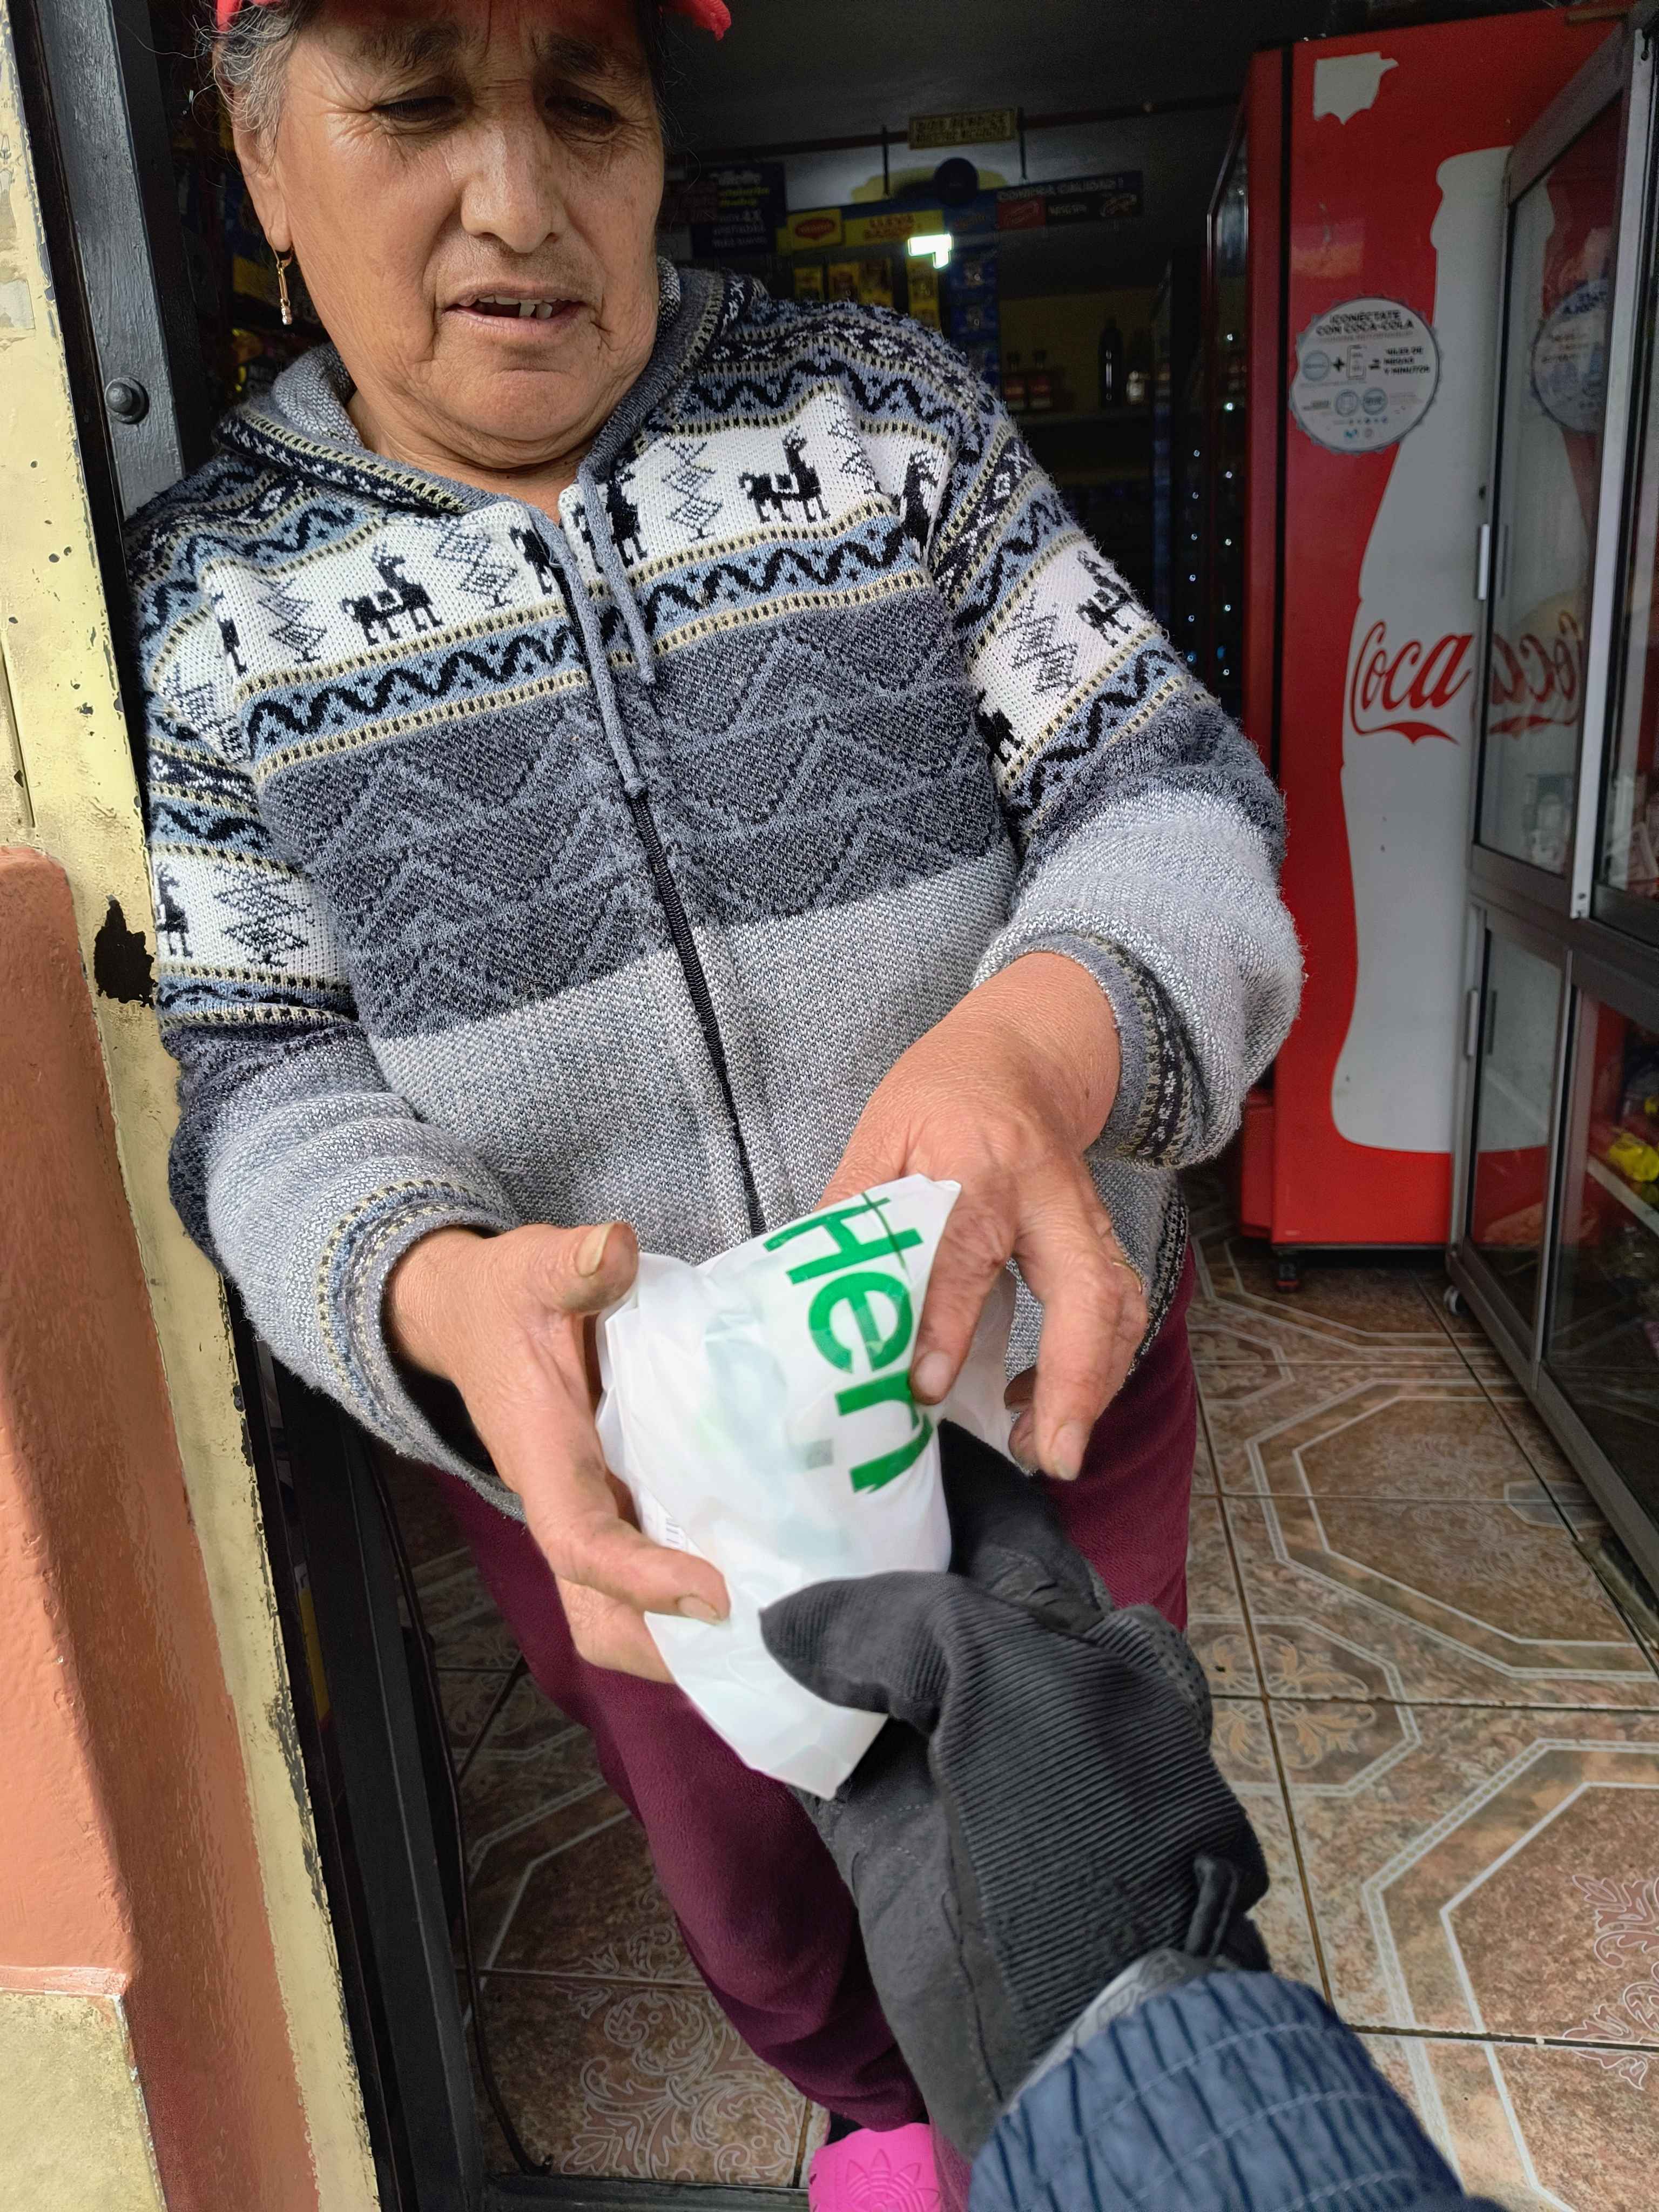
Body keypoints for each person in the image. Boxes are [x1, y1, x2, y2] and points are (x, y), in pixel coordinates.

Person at [127, 0, 1300, 2191]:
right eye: (412, 104)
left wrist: (1037, 1038)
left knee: (1087, 1853)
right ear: (263, 162)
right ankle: (874, 2110)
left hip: (1025, 1372)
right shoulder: (215, 610)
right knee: (758, 1892)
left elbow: (1166, 791)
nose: (516, 197)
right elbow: (262, 1071)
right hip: (625, 1465)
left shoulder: (883, 420)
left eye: (586, 101)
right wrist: (428, 1286)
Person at [762, 1429, 1507, 2212]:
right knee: (771, 1906)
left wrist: (1103, 2025)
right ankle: (883, 2103)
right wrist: (1134, 2033)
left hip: (1056, 1419)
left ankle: (972, 2137)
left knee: (1052, 1640)